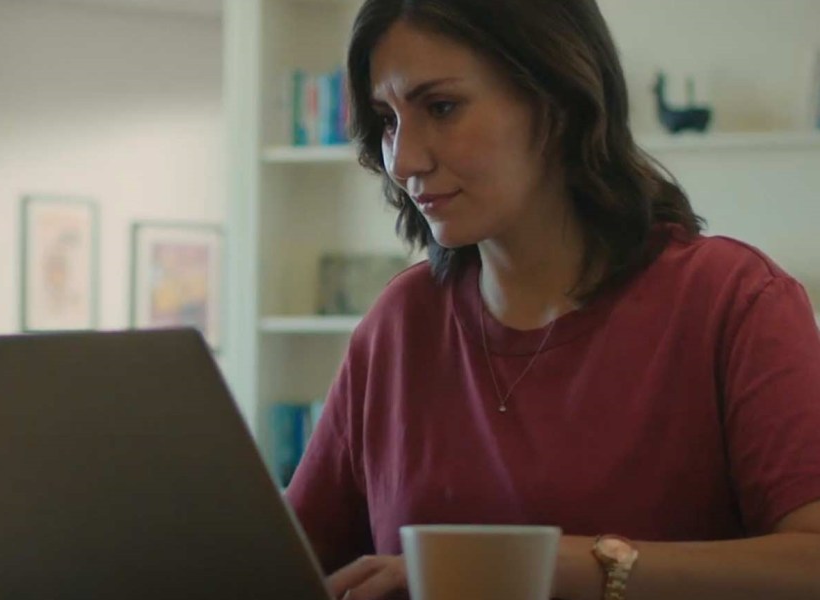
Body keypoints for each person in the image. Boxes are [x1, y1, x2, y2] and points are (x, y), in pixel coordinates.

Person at [284, 1, 820, 599]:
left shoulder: (734, 301)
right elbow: (283, 561)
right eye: (388, 120)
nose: (405, 160)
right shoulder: (401, 324)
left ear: (560, 102)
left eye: (441, 107)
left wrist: (550, 567)